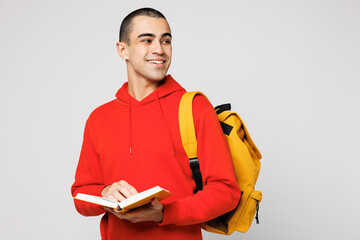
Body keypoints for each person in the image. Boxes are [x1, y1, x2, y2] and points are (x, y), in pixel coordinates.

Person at [71, 7, 241, 240]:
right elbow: (81, 196)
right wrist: (105, 192)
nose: (159, 49)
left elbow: (226, 192)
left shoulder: (195, 107)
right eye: (147, 40)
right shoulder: (99, 118)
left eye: (166, 40)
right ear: (123, 50)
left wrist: (165, 213)